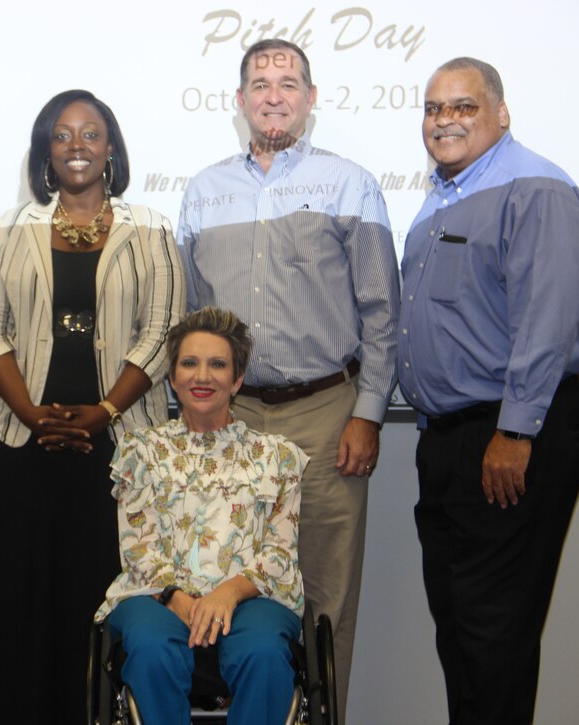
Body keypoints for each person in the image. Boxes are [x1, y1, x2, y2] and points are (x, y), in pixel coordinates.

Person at [176, 38, 399, 722]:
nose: (274, 94)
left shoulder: (350, 182)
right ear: (239, 101)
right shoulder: (203, 191)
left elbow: (381, 312)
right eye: (260, 83)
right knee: (233, 590)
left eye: (289, 82)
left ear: (310, 98)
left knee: (326, 595)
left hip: (327, 416)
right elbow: (190, 319)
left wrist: (367, 411)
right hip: (231, 421)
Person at [398, 57, 579, 724]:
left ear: (501, 113)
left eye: (463, 106)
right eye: (434, 109)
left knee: (494, 634)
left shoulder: (534, 187)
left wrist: (515, 432)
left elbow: (547, 320)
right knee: (462, 628)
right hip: (453, 439)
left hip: (510, 435)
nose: (445, 120)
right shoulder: (441, 199)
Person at [0, 89, 184, 723]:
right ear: (45, 151)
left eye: (90, 134)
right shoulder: (11, 228)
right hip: (17, 444)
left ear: (111, 147)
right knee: (20, 599)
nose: (77, 147)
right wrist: (33, 413)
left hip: (119, 451)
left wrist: (104, 412)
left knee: (104, 596)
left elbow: (164, 329)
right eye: (62, 135)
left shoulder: (151, 227)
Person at [97, 306, 307, 725]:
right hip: (156, 594)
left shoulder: (277, 455)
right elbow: (138, 550)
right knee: (153, 648)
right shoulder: (142, 452)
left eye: (218, 365)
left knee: (264, 652)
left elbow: (279, 553)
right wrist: (179, 599)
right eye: (189, 363)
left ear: (238, 378)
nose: (202, 376)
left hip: (253, 596)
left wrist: (226, 594)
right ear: (172, 378)